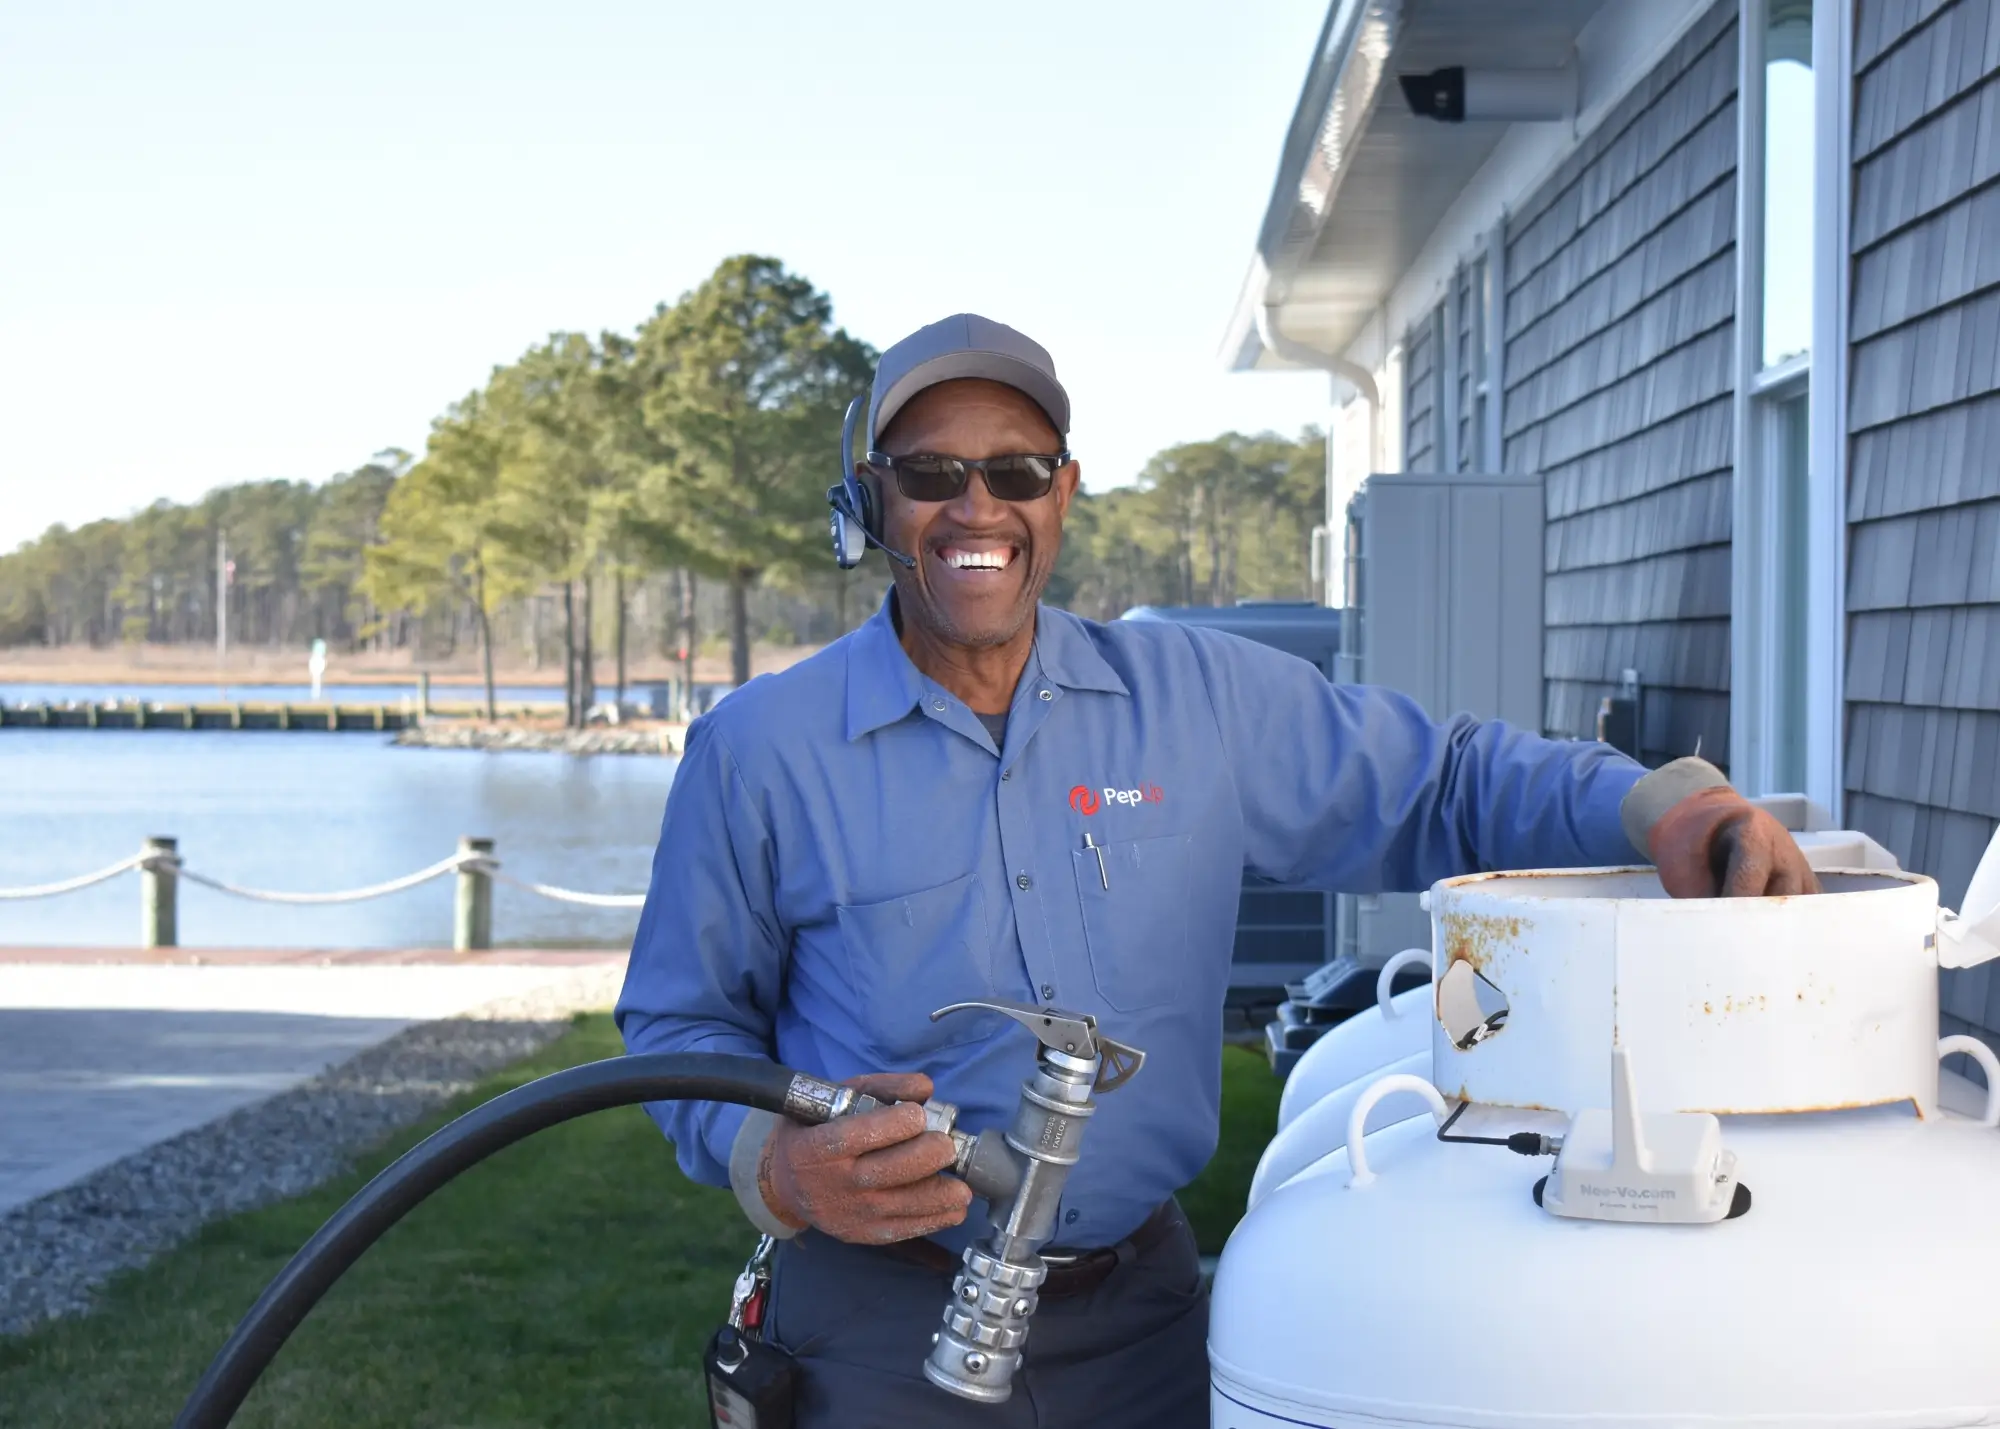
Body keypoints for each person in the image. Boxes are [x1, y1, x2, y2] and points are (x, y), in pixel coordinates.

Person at [616, 313, 1818, 1428]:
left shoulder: (1196, 700)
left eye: (1017, 470)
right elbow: (681, 1020)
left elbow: (1441, 779)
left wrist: (1662, 804)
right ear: (870, 501)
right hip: (872, 1331)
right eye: (930, 473)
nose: (974, 504)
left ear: (1065, 493)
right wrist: (771, 1165)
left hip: (1145, 1320)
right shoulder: (761, 748)